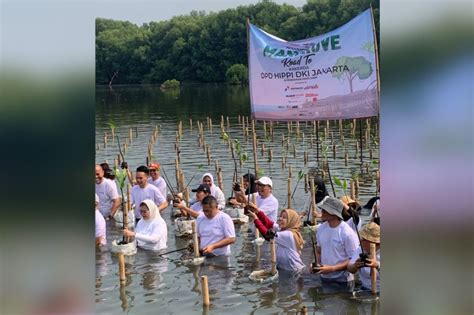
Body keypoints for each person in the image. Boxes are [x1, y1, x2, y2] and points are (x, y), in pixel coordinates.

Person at [313, 196, 359, 289]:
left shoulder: (347, 233)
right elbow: (319, 251)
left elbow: (353, 260)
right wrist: (314, 264)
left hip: (343, 280)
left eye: (325, 211)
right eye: (322, 209)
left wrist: (332, 269)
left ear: (334, 214)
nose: (322, 212)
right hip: (324, 277)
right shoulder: (321, 228)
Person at [247, 207, 306, 272]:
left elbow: (268, 235)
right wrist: (258, 211)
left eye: (284, 217)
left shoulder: (289, 234)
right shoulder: (283, 229)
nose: (280, 219)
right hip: (284, 268)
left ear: (291, 221)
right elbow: (269, 224)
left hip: (294, 270)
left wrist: (256, 219)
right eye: (280, 216)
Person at [347, 222, 381, 292]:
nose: (361, 241)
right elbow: (349, 268)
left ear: (374, 242)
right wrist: (355, 265)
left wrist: (377, 265)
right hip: (365, 289)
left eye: (364, 239)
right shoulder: (360, 249)